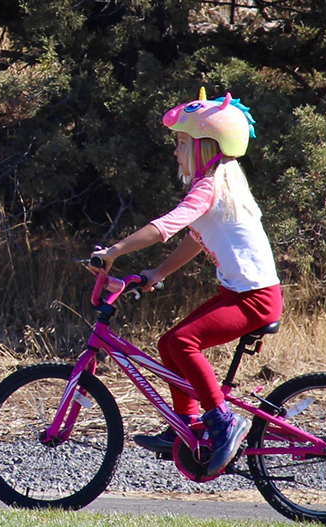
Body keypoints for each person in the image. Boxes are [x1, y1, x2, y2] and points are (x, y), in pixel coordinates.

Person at [87, 90, 281, 473]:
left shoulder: (208, 187)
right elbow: (196, 236)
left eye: (180, 143)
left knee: (181, 342)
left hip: (254, 298)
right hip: (244, 293)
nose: (176, 152)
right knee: (168, 343)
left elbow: (166, 227)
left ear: (204, 147)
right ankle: (187, 427)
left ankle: (223, 422)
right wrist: (158, 273)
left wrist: (114, 250)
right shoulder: (226, 180)